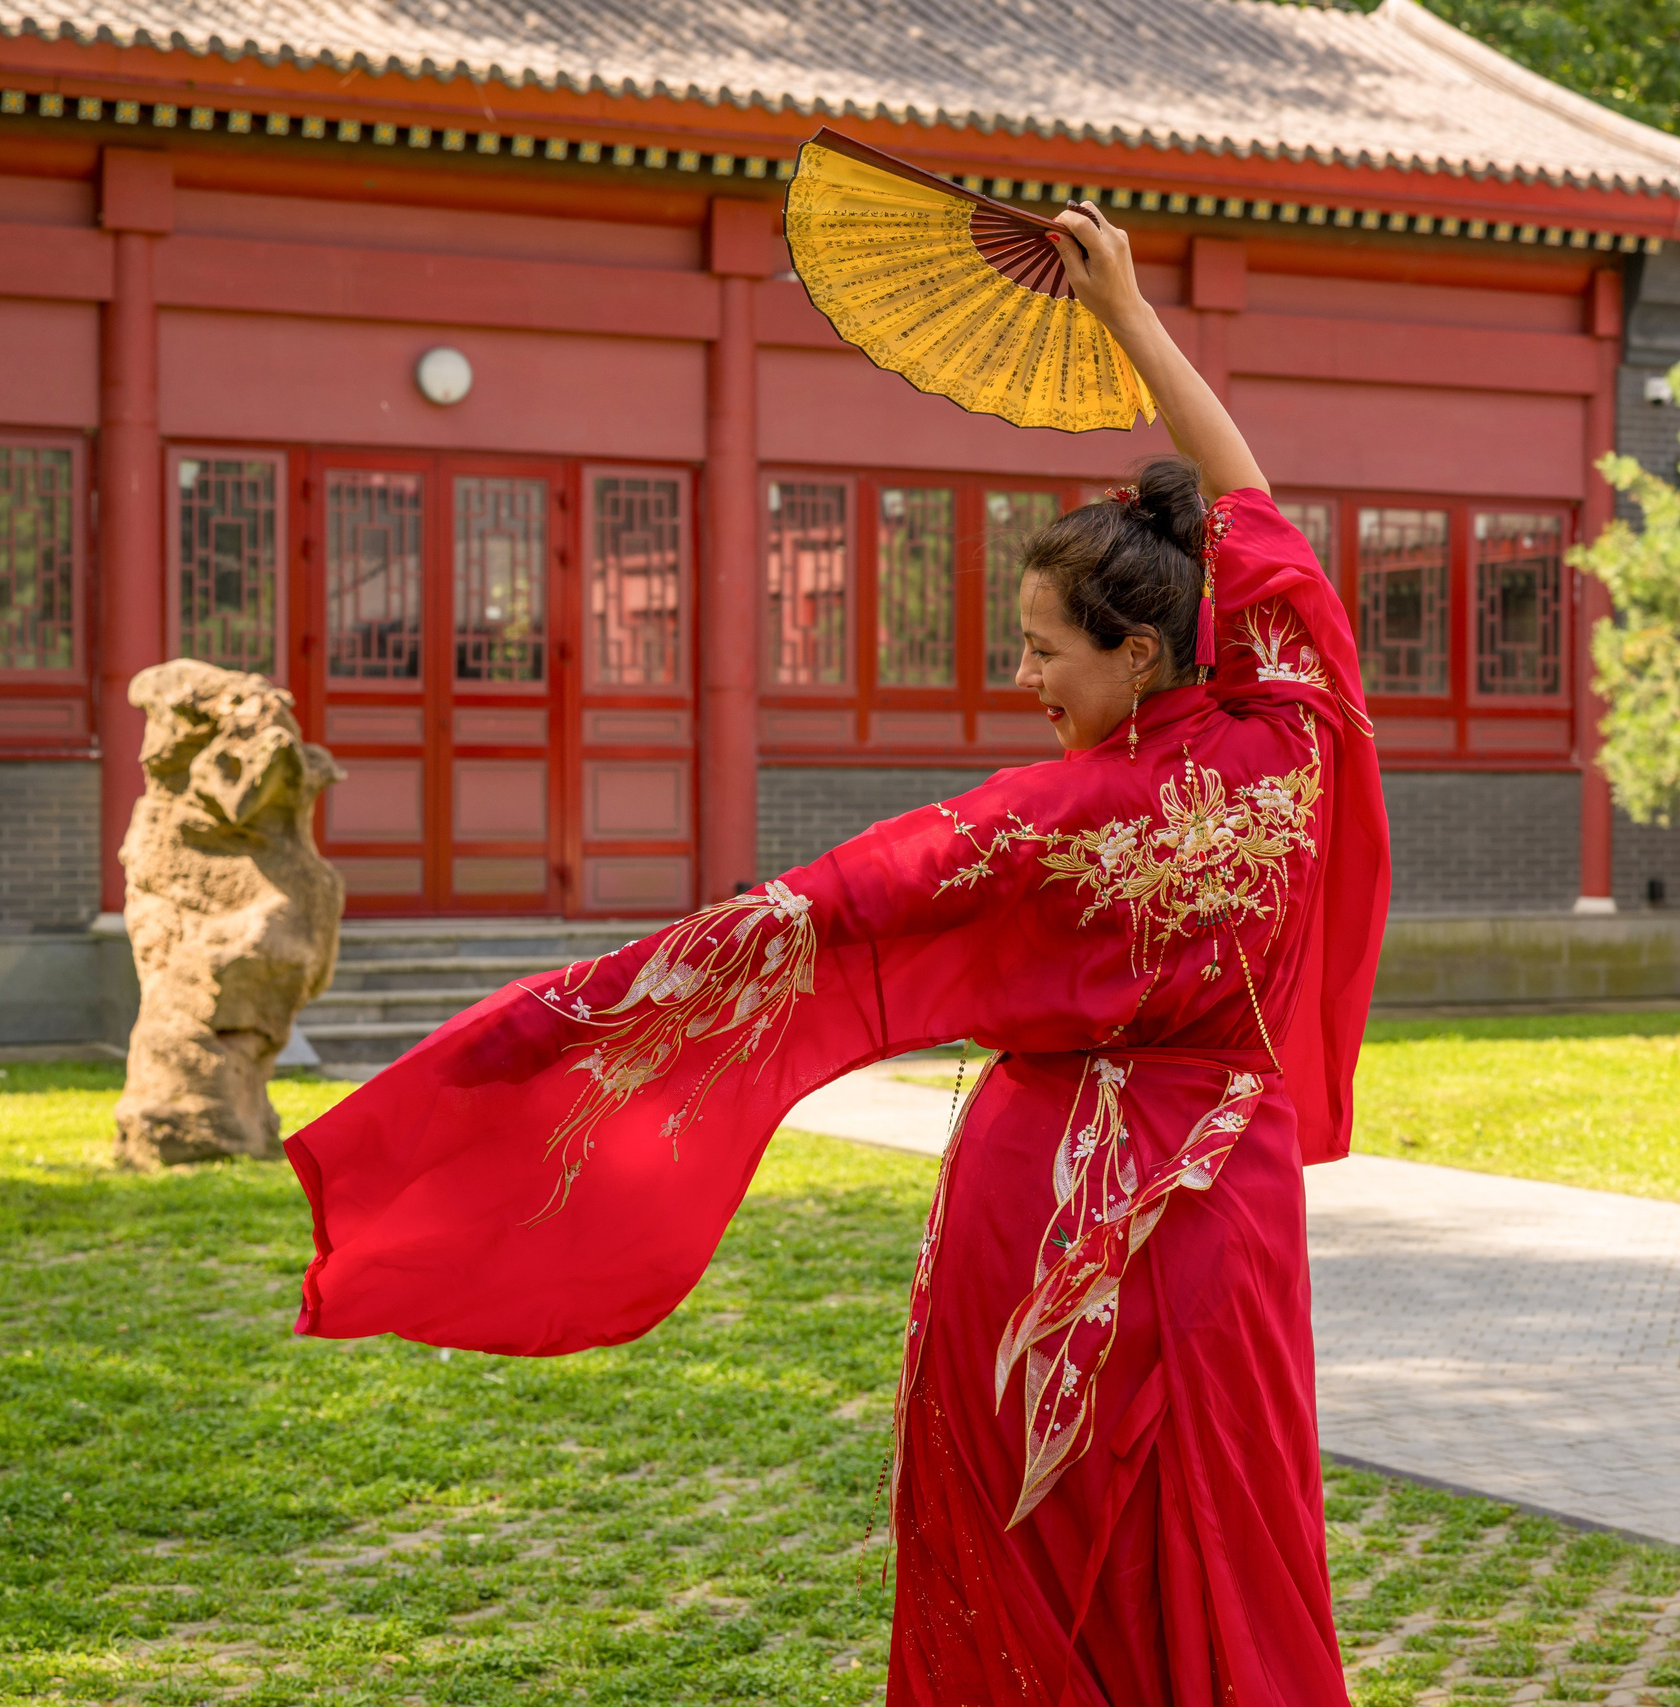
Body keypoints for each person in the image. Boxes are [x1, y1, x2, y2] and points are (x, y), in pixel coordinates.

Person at [283, 199, 1389, 1706]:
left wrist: (600, 1003)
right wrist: (1132, 312)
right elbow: (1246, 495)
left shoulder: (1039, 822)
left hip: (1047, 1211)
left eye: (1041, 651)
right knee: (1229, 1526)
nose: (1021, 683)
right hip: (1228, 1213)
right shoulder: (1295, 740)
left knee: (1024, 1533)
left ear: (1137, 654)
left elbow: (854, 903)